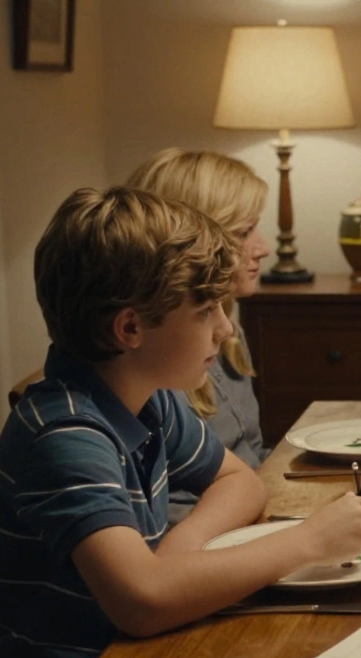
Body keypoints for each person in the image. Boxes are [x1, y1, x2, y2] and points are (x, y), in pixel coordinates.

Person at [0, 187, 361, 658]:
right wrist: (308, 542)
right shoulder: (63, 434)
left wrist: (177, 552)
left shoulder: (147, 399)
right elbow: (142, 603)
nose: (224, 329)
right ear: (130, 328)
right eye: (204, 311)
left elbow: (237, 481)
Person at [127, 149, 271, 521]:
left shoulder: (227, 329)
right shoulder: (156, 365)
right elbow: (161, 537)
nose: (263, 248)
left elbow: (253, 460)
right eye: (243, 232)